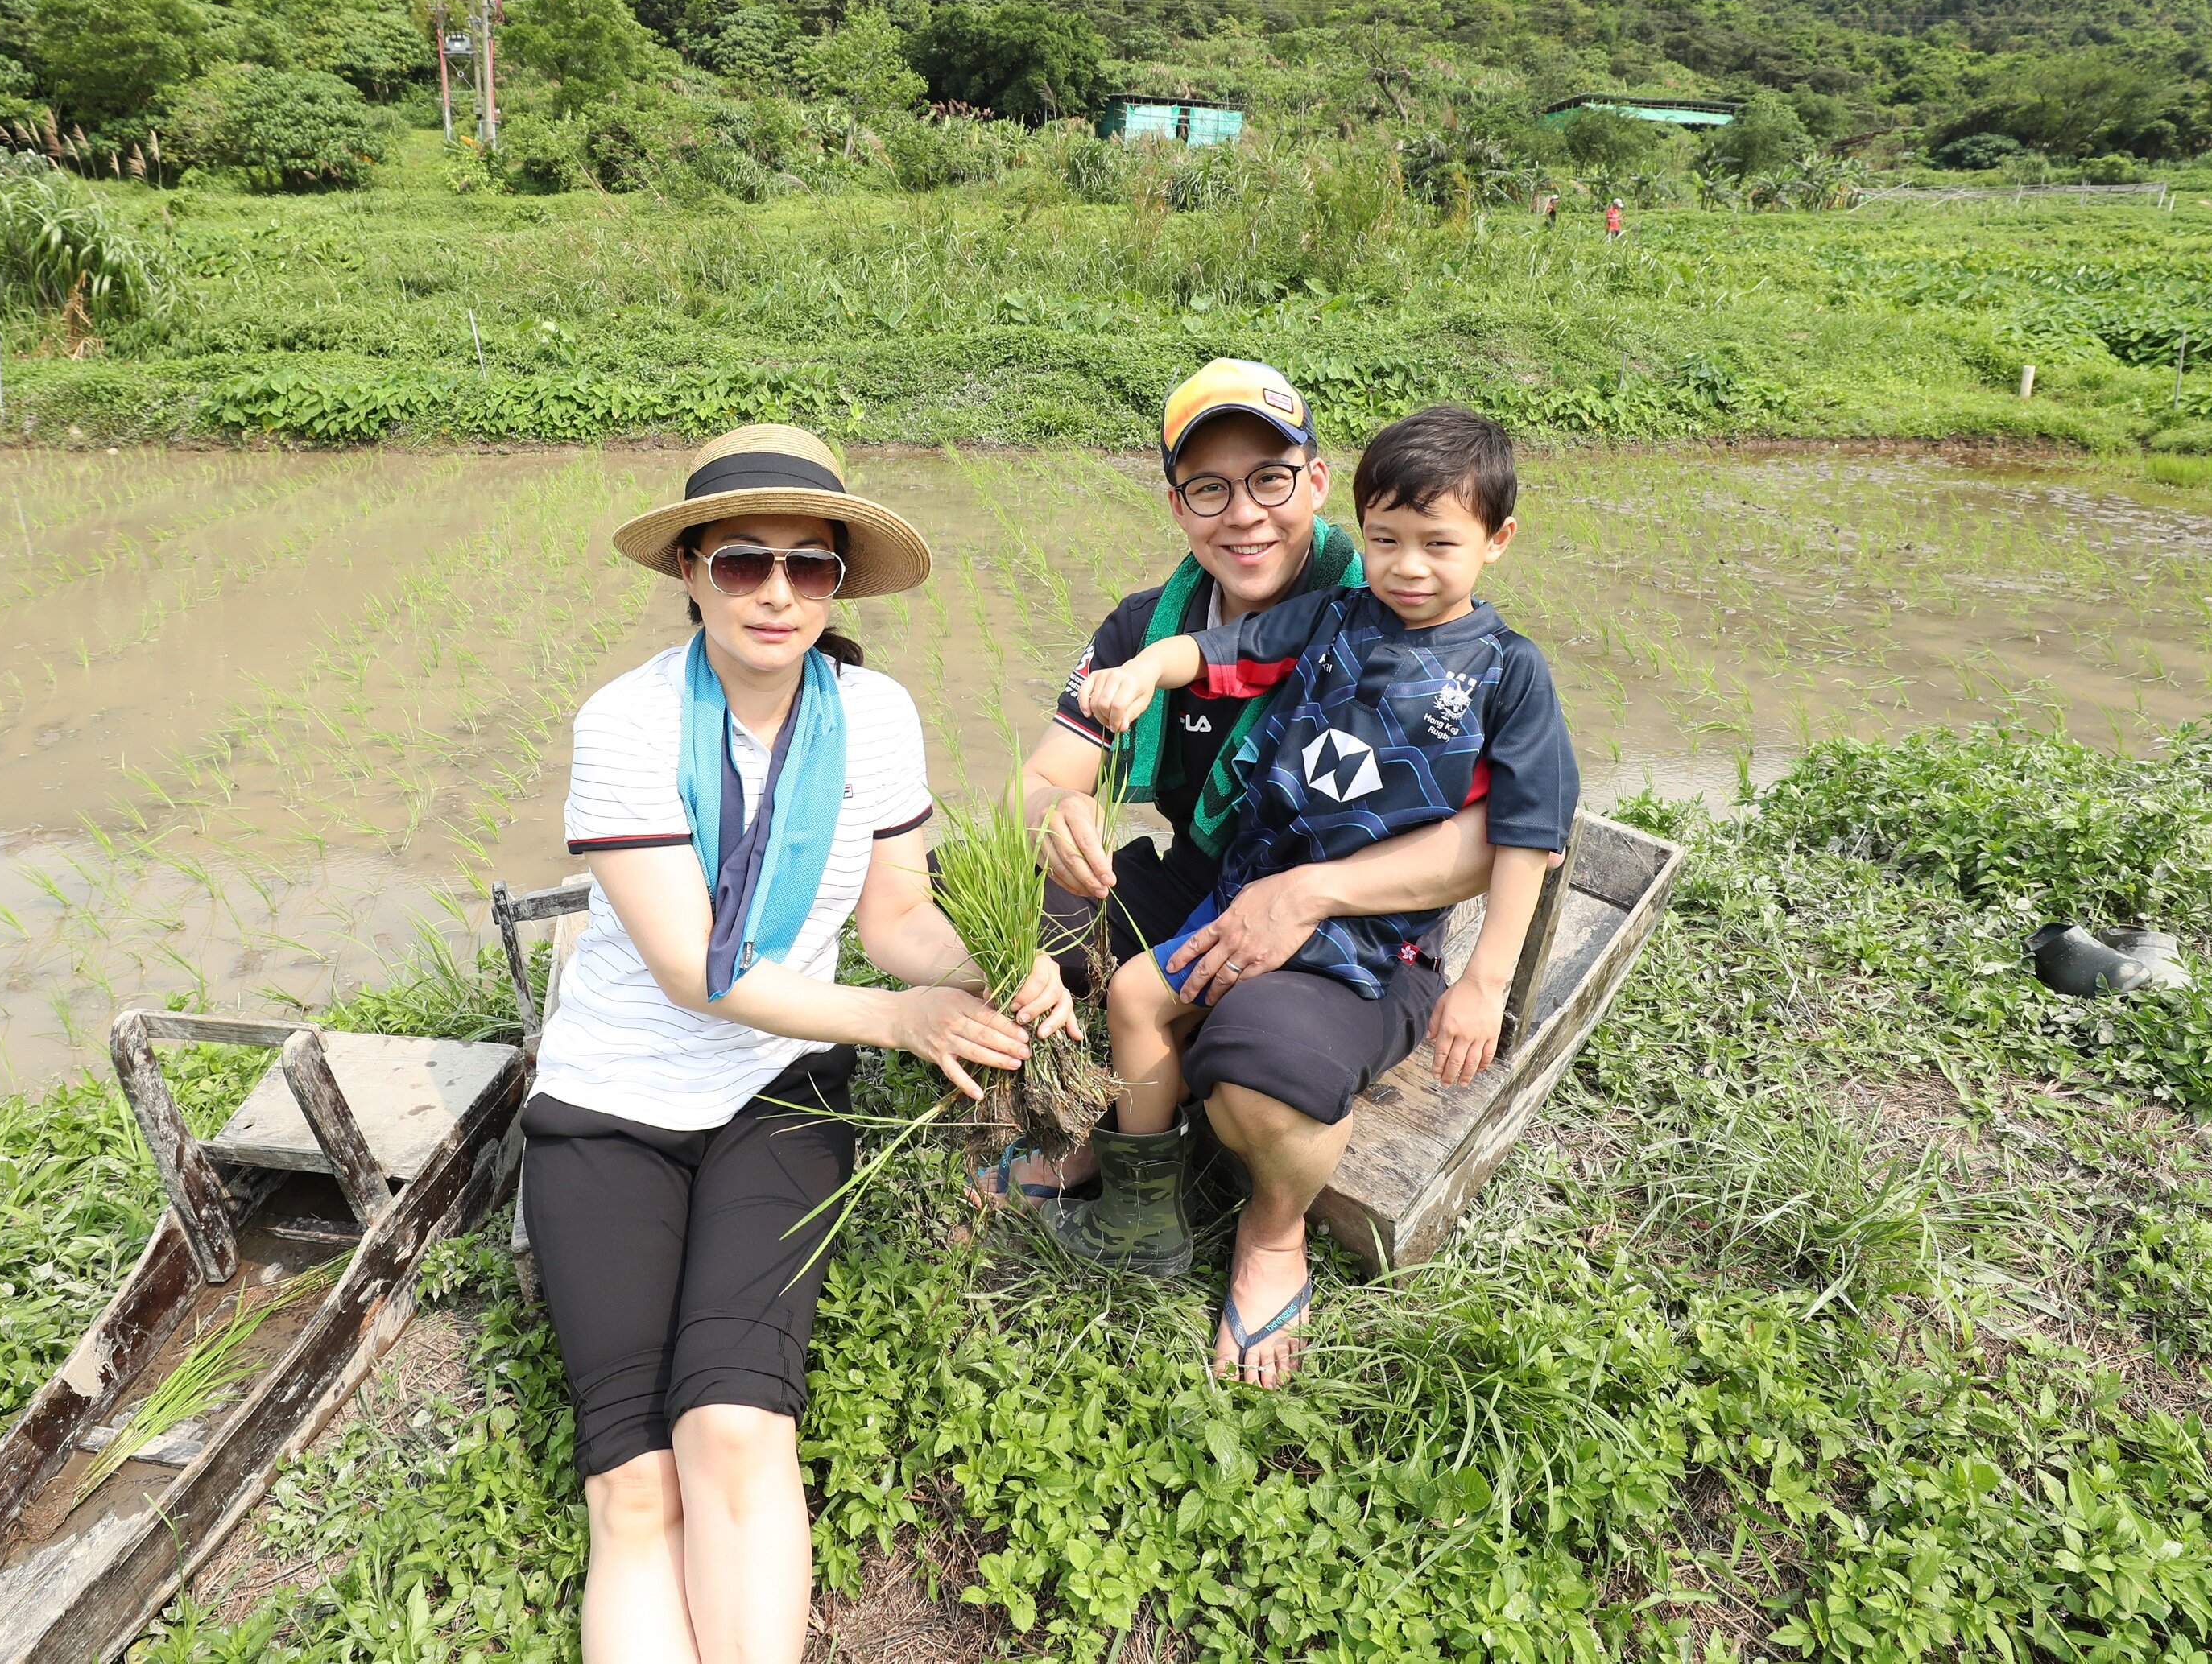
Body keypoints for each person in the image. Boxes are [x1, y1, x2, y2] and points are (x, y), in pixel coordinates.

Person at [527, 423, 1077, 1664]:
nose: (776, 592)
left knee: (731, 1426)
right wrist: (894, 1018)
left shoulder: (872, 713)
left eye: (807, 567)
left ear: (837, 583)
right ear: (689, 573)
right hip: (608, 1100)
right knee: (631, 1486)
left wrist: (994, 962)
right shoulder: (625, 721)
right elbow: (692, 968)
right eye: (741, 562)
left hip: (779, 1088)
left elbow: (891, 916)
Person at [1002, 360, 1502, 1387]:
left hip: (1361, 921)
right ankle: (1110, 1131)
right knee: (988, 907)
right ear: (1178, 503)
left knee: (1255, 1076)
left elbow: (1489, 840)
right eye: (1210, 488)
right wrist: (1059, 814)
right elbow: (1049, 771)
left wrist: (1309, 893)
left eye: (1270, 478)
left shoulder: (1396, 614)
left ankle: (1270, 1235)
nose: (1245, 515)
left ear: (1318, 485)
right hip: (1204, 874)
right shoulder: (1146, 628)